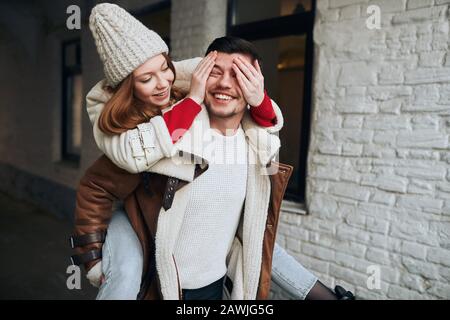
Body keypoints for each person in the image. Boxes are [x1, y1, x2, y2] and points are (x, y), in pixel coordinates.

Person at [70, 3, 354, 300]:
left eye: (239, 76)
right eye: (215, 73)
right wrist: (93, 258)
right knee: (125, 273)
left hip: (214, 288)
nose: (225, 83)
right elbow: (98, 184)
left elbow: (256, 238)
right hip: (160, 284)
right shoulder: (157, 134)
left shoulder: (254, 144)